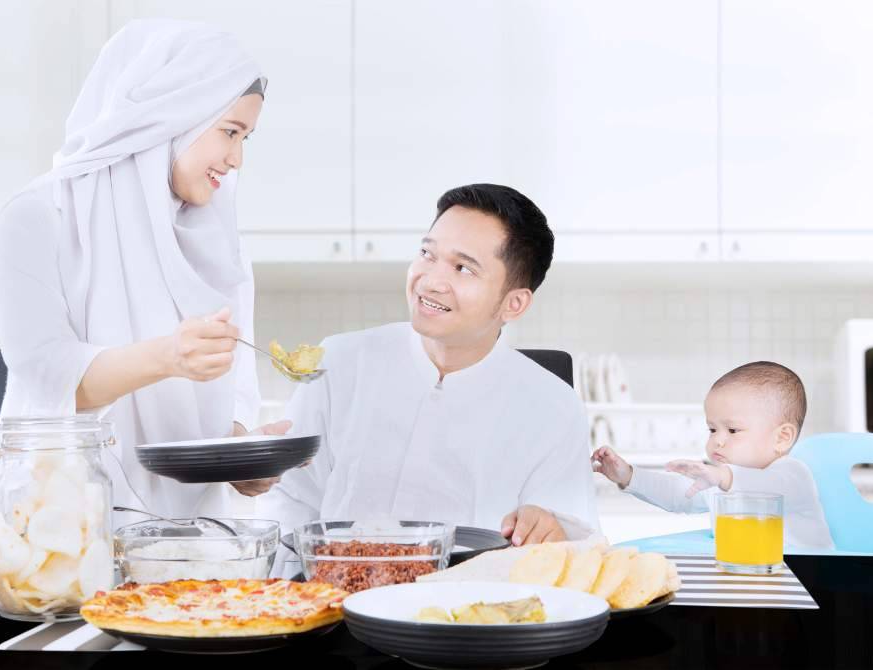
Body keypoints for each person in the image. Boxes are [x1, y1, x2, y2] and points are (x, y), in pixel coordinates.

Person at [0, 19, 283, 521]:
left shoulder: (219, 241)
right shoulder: (37, 216)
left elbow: (232, 392)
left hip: (195, 542)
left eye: (246, 138)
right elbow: (48, 380)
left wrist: (242, 454)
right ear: (170, 116)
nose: (236, 159)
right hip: (64, 528)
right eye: (230, 132)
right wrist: (167, 356)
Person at [254, 184, 601, 547]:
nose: (432, 281)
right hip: (333, 594)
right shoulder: (338, 363)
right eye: (427, 253)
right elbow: (289, 500)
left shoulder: (553, 408)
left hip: (471, 598)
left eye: (464, 268)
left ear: (513, 304)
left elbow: (574, 540)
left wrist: (551, 531)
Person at [592, 361, 834, 549]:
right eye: (712, 429)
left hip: (810, 581)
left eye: (732, 430)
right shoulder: (722, 480)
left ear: (781, 438)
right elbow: (678, 494)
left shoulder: (793, 475)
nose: (717, 439)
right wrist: (628, 475)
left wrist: (721, 477)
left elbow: (762, 487)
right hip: (748, 577)